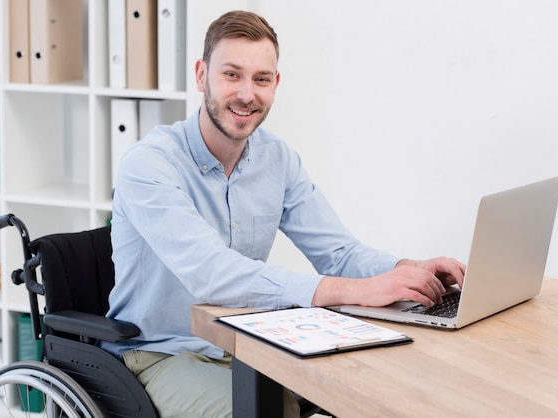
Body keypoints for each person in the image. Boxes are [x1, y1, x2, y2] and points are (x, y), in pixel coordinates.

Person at [103, 9, 466, 418]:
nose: (246, 93)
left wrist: (409, 271)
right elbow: (212, 274)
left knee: (374, 388)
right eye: (232, 75)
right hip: (160, 354)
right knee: (276, 412)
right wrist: (356, 291)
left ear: (275, 85)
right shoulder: (150, 165)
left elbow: (339, 252)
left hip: (246, 344)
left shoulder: (276, 160)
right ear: (202, 75)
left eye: (260, 79)